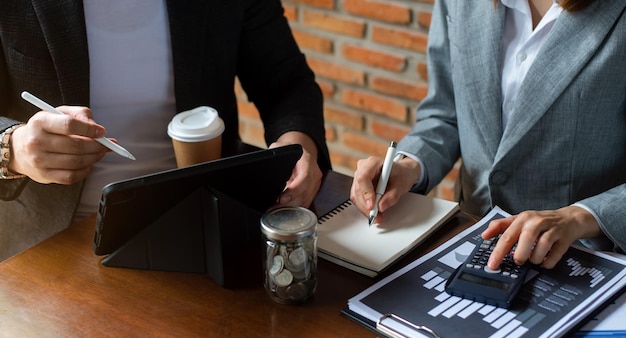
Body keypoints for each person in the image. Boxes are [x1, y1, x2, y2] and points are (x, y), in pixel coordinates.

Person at [0, 0, 331, 261]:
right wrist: (13, 148)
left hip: (206, 229)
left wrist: (298, 146)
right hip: (51, 245)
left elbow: (286, 83)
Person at [350, 0, 626, 271]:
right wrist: (410, 165)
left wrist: (580, 217)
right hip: (471, 235)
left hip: (580, 258)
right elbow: (445, 111)